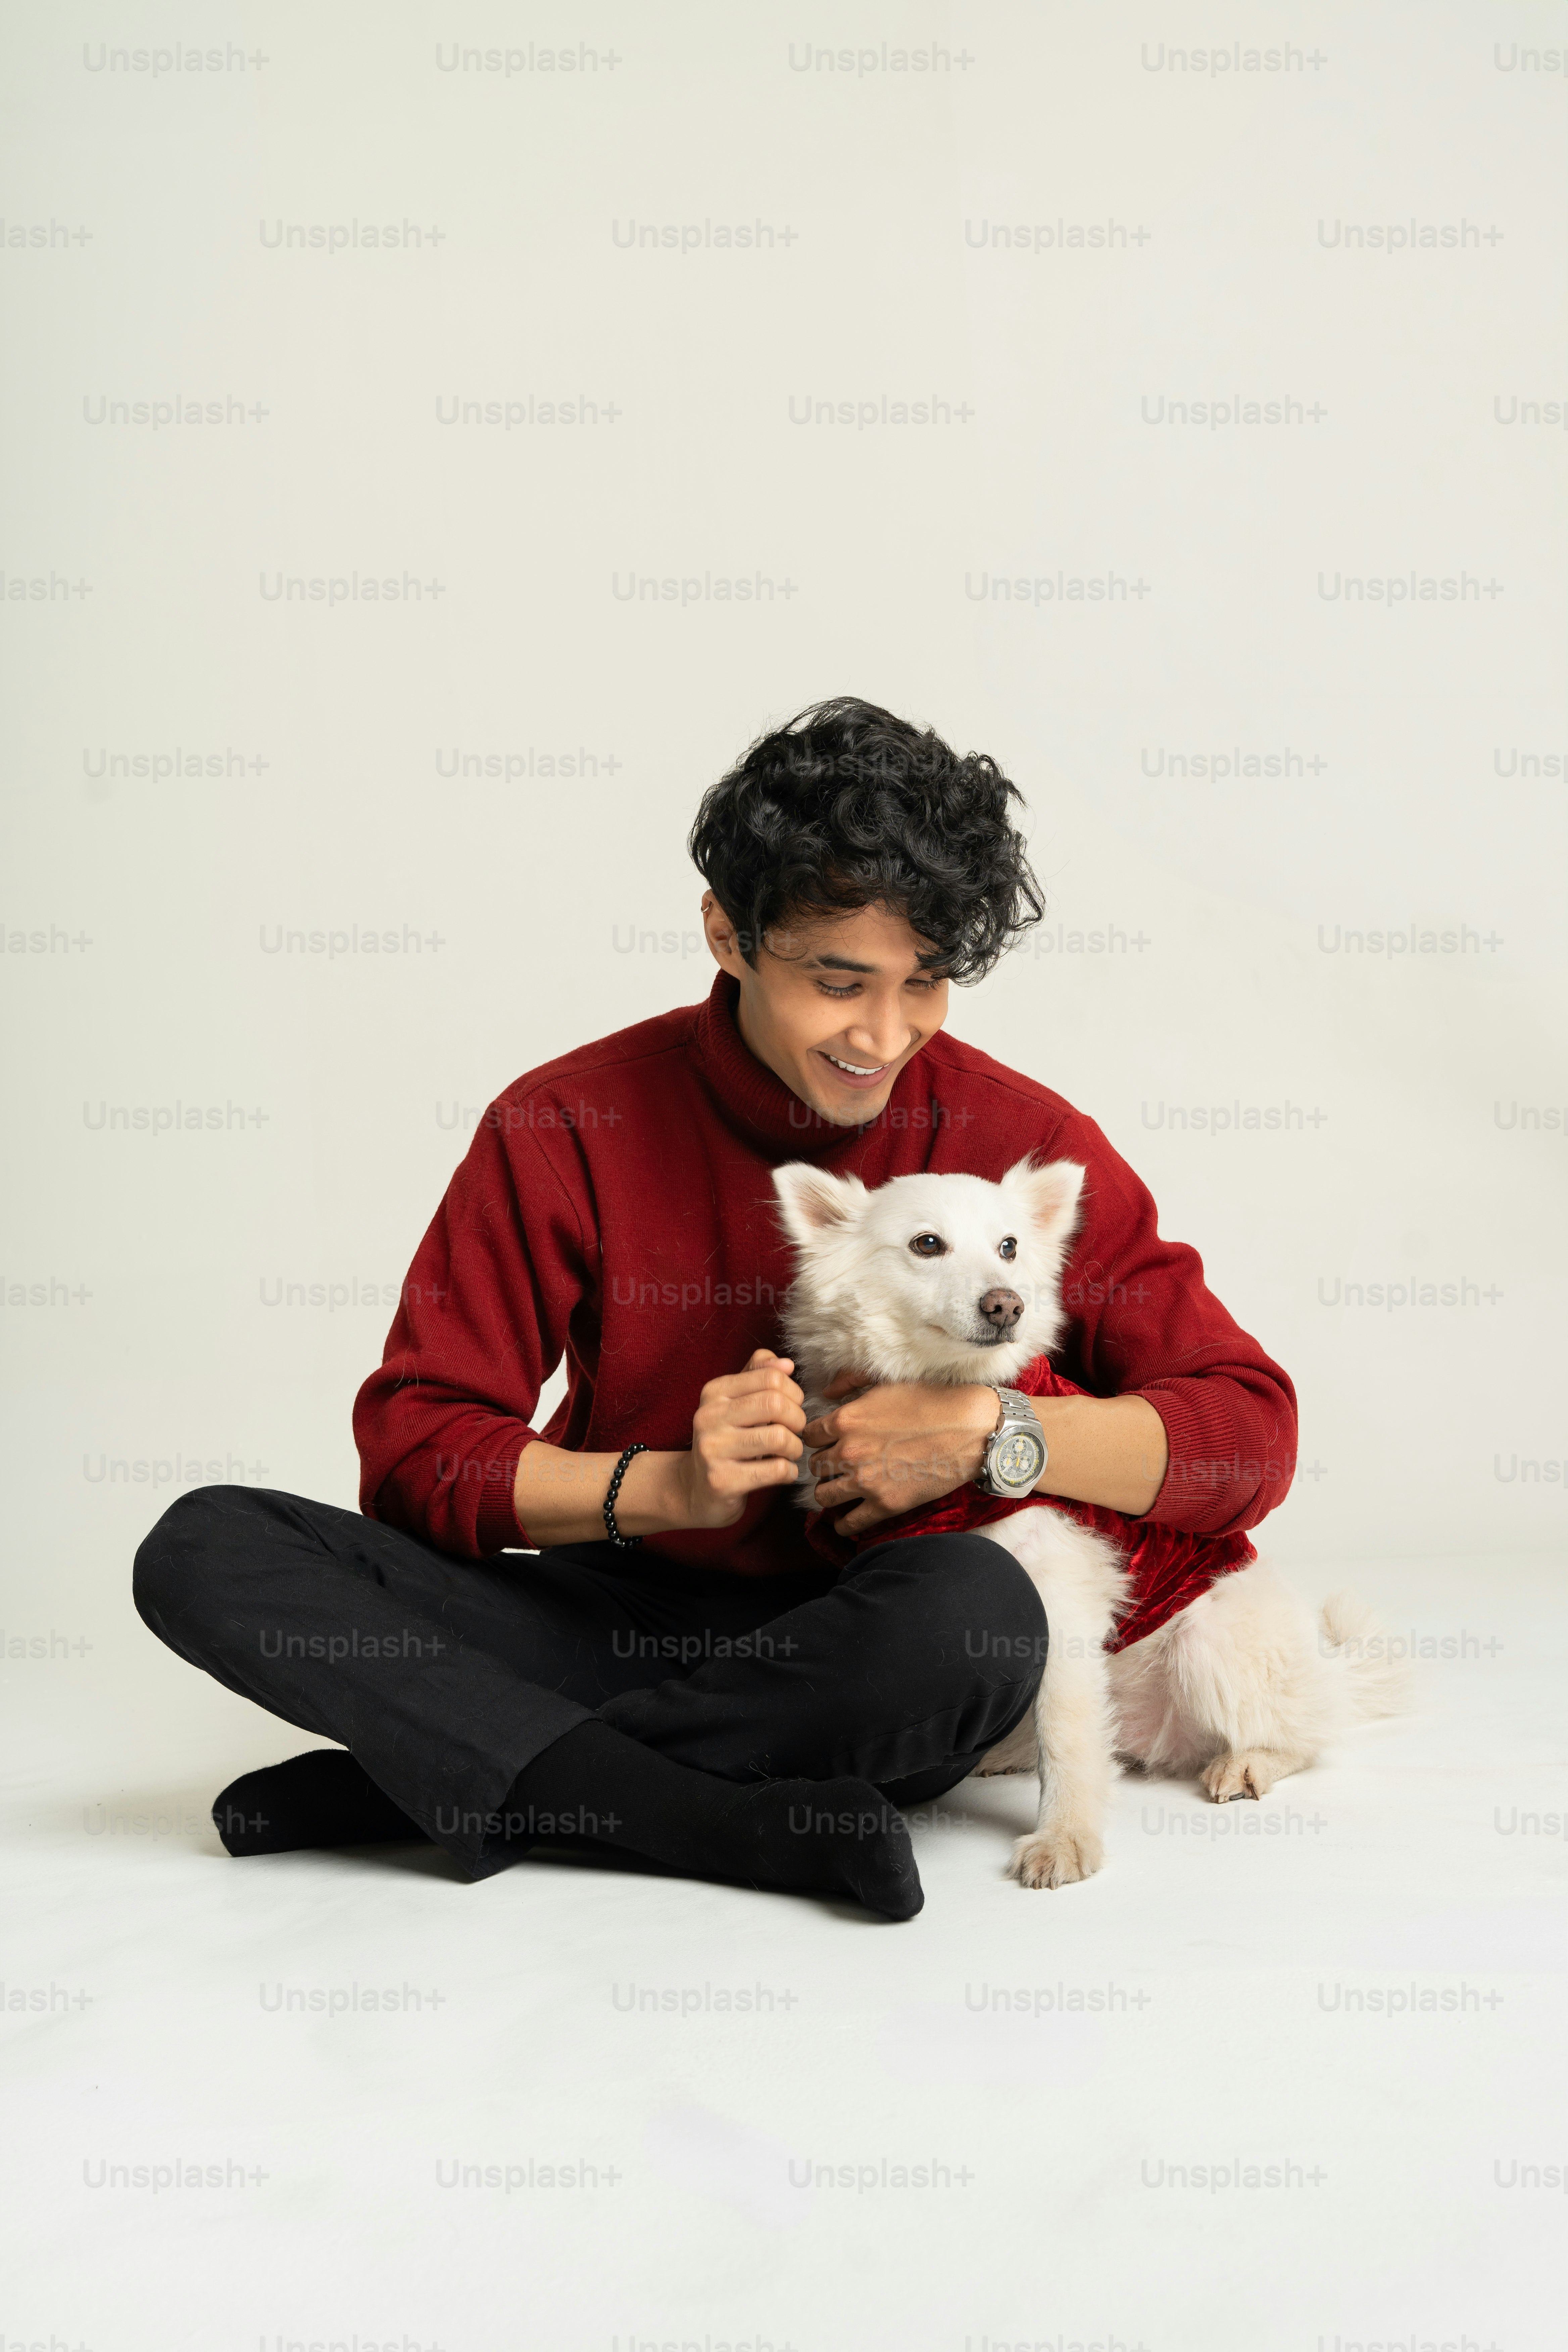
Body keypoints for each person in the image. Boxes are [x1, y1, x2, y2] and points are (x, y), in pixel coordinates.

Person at [133, 698, 1296, 1919]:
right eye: (837, 980)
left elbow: (1248, 1433)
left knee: (980, 1611)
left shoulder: (1023, 1146)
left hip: (880, 1642)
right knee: (211, 1544)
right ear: (729, 936)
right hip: (618, 1609)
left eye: (928, 984)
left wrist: (995, 1438)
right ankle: (705, 1816)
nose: (884, 1034)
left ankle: (423, 1785)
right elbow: (418, 1451)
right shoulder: (566, 1123)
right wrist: (667, 1486)